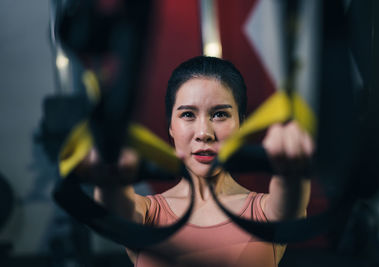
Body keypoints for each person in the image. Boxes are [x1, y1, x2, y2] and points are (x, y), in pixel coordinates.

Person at [76, 56, 313, 267]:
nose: (204, 133)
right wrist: (109, 173)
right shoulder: (147, 215)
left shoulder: (267, 212)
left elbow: (290, 197)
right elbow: (114, 207)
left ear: (241, 124)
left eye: (220, 114)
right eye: (188, 114)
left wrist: (291, 167)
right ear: (171, 127)